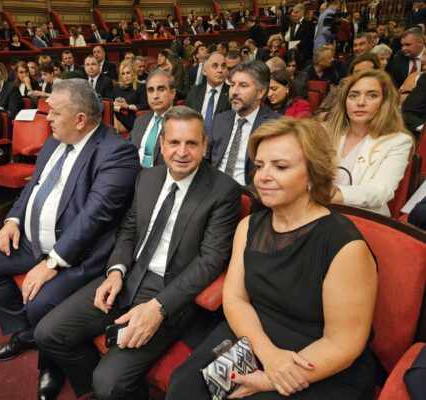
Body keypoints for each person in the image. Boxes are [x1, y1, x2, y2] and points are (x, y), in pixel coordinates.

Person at [34, 105, 241, 400]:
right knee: (48, 333)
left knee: (109, 383)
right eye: (174, 142)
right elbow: (129, 230)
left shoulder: (224, 191)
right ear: (162, 144)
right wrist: (116, 271)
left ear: (205, 145)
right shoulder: (147, 178)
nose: (182, 152)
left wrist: (159, 307)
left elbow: (210, 261)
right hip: (127, 277)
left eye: (192, 143)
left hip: (171, 292)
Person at [167, 117, 378, 400]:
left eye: (280, 167)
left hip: (320, 359)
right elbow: (235, 299)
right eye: (259, 166)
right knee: (185, 386)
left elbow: (343, 344)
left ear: (313, 174)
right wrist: (267, 353)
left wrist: (270, 378)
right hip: (254, 335)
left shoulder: (345, 246)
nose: (263, 177)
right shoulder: (249, 227)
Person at [0, 79, 140, 397]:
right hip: (31, 240)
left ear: (80, 119)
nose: (48, 119)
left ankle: (51, 363)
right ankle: (25, 333)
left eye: (54, 112)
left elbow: (94, 218)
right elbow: (33, 187)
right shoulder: (57, 139)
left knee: (40, 301)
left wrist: (53, 263)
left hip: (78, 253)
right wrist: (13, 220)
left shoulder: (117, 152)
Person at [328, 70, 414, 215]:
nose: (360, 102)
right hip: (315, 213)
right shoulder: (324, 133)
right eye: (353, 95)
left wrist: (327, 195)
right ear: (344, 101)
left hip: (363, 218)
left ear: (385, 102)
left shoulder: (398, 141)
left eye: (372, 95)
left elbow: (379, 192)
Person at [205, 60, 280, 186]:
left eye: (243, 85)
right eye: (232, 84)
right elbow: (206, 160)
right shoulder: (220, 120)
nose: (234, 91)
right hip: (214, 186)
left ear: (260, 92)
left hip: (249, 192)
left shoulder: (275, 125)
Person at [130, 69, 176, 168]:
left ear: (173, 93)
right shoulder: (140, 119)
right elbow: (128, 146)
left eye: (161, 89)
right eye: (151, 90)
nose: (155, 96)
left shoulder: (181, 123)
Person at [186, 52, 231, 133]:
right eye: (215, 66)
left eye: (223, 66)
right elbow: (187, 118)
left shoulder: (231, 93)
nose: (220, 70)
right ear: (204, 71)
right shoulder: (194, 91)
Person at [109, 60, 148, 132]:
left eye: (128, 73)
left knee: (110, 120)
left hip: (132, 118)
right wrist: (114, 103)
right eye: (123, 74)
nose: (126, 76)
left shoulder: (140, 86)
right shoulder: (117, 87)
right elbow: (110, 101)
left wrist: (127, 106)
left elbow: (145, 105)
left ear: (133, 73)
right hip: (118, 114)